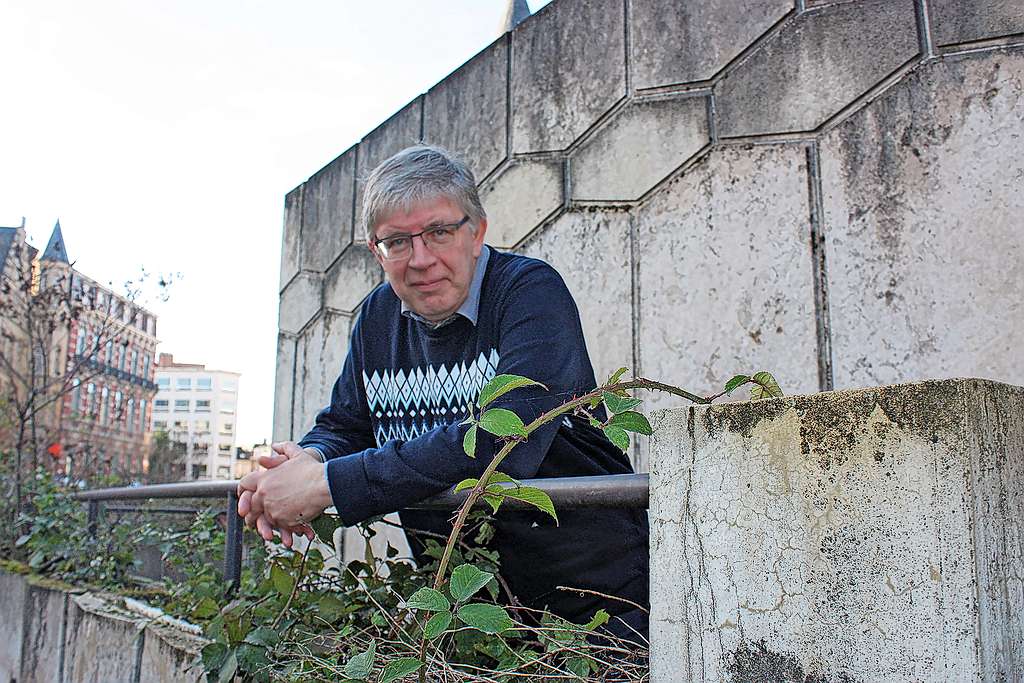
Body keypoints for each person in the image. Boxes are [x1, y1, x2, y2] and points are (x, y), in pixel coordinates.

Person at [237, 144, 649, 639]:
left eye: (439, 232)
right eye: (397, 242)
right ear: (376, 251)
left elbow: (505, 439)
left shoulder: (529, 292)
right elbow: (348, 424)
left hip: (597, 604)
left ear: (476, 232)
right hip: (466, 613)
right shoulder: (375, 318)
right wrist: (303, 462)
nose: (421, 260)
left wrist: (327, 485)